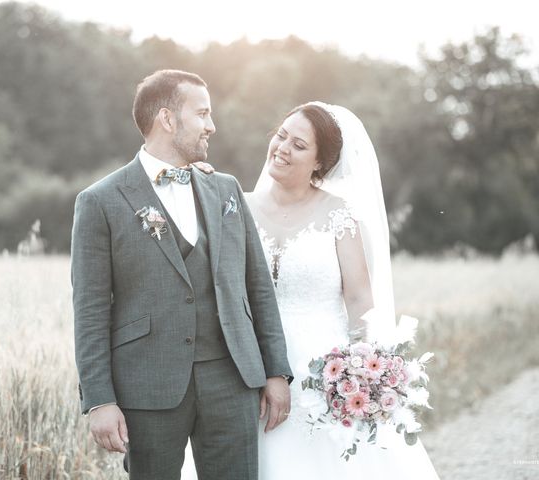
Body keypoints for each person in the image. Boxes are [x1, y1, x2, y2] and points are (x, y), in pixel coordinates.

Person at [71, 69, 292, 480]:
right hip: (147, 386)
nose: (212, 125)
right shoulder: (100, 201)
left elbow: (258, 286)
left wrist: (276, 371)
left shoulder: (225, 190)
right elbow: (90, 310)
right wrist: (99, 400)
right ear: (168, 120)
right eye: (202, 114)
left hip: (233, 380)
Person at [246, 102, 440, 479]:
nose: (282, 147)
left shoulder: (340, 214)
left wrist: (363, 373)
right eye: (281, 135)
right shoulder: (238, 206)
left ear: (320, 163)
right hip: (252, 366)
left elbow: (358, 299)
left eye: (299, 145)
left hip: (323, 372)